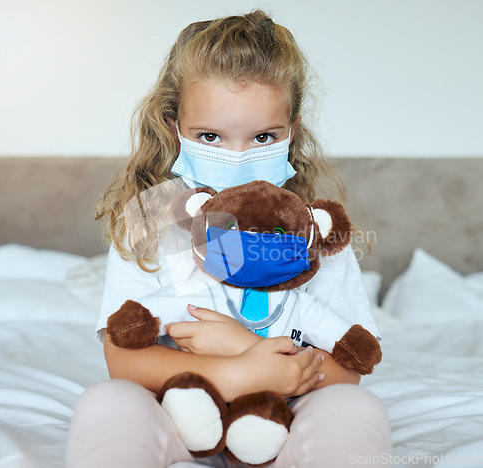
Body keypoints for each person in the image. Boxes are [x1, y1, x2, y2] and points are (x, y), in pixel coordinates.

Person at [67, 10, 392, 468]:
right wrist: (234, 370)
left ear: (291, 131)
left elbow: (346, 368)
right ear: (174, 126)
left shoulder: (311, 229)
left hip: (289, 412)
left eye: (262, 137)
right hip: (179, 409)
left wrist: (247, 349)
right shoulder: (148, 217)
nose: (237, 158)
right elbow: (123, 358)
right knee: (105, 403)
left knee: (359, 410)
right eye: (210, 136)